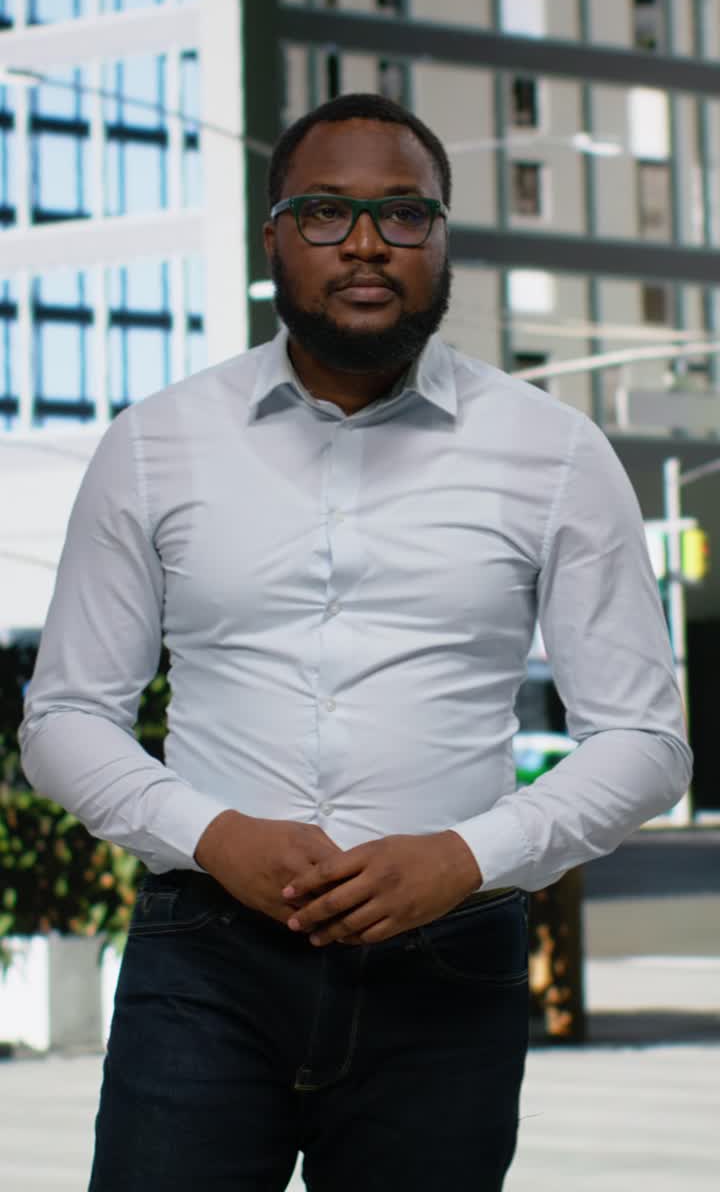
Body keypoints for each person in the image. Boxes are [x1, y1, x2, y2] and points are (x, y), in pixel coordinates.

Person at [20, 92, 692, 1192]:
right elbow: (63, 719)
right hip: (207, 955)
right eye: (327, 212)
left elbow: (647, 741)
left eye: (405, 213)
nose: (369, 243)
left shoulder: (554, 453)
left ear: (444, 238)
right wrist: (214, 833)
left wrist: (465, 856)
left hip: (448, 968)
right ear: (273, 235)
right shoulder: (155, 444)